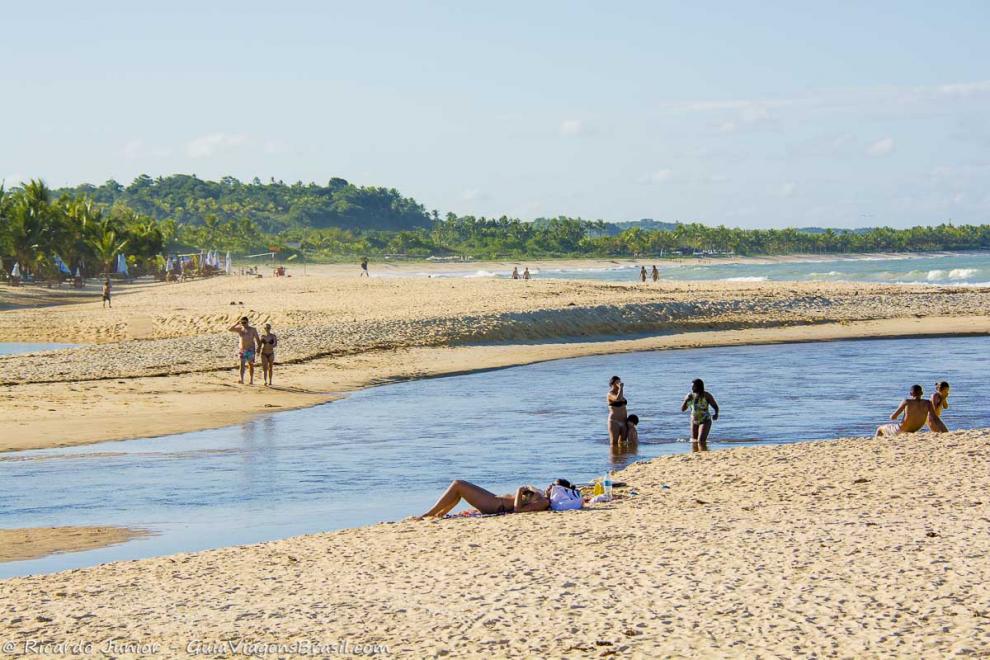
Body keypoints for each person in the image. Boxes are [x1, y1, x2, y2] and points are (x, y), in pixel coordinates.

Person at [419, 480, 549, 518]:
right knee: (459, 490)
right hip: (494, 499)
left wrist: (520, 491)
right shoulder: (542, 495)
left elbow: (517, 510)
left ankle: (430, 513)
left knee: (458, 485)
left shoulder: (543, 501)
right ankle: (439, 513)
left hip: (494, 505)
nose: (549, 487)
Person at [681, 378, 719, 452]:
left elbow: (715, 406)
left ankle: (704, 453)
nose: (692, 388)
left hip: (705, 420)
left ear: (699, 386)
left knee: (701, 440)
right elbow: (683, 409)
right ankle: (696, 455)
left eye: (693, 386)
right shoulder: (690, 396)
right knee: (694, 441)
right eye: (691, 386)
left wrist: (716, 413)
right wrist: (686, 400)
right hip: (694, 421)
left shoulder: (706, 395)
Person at [228, 316, 261, 385]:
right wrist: (237, 323)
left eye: (244, 322)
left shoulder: (253, 329)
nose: (243, 324)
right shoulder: (240, 329)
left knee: (250, 365)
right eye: (242, 322)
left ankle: (251, 380)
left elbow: (258, 340)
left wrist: (258, 349)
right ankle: (242, 379)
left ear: (247, 322)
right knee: (242, 365)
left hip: (250, 349)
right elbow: (230, 329)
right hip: (242, 350)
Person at [607, 376, 628, 446]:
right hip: (614, 421)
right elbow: (617, 399)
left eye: (620, 381)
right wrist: (621, 388)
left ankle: (623, 456)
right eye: (617, 382)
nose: (619, 383)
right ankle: (614, 457)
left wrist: (620, 389)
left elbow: (621, 398)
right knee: (614, 443)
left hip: (624, 421)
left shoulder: (620, 393)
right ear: (613, 384)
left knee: (623, 442)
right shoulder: (610, 394)